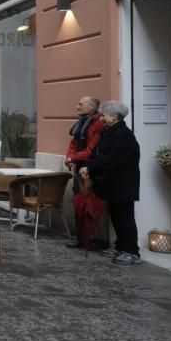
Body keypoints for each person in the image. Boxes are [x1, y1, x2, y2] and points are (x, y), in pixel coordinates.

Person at [81, 100, 141, 265]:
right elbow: (97, 153)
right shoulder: (109, 132)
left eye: (104, 115)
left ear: (114, 116)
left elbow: (114, 160)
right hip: (111, 183)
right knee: (116, 216)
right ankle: (120, 246)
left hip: (123, 183)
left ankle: (131, 251)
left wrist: (91, 167)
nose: (101, 118)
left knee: (125, 217)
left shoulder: (123, 135)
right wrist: (89, 165)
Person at [65, 95, 104, 247]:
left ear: (92, 107)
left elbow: (91, 149)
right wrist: (70, 158)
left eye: (81, 104)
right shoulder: (81, 123)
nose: (77, 107)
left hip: (89, 169)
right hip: (78, 167)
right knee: (79, 202)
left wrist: (72, 158)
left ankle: (93, 238)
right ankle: (82, 238)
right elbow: (74, 143)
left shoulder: (98, 123)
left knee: (89, 204)